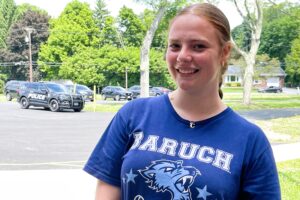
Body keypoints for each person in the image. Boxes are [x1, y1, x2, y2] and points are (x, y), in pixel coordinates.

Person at [84, 3, 281, 200]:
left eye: (198, 46)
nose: (183, 56)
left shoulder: (250, 140)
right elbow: (108, 189)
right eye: (175, 46)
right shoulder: (133, 114)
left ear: (224, 52)